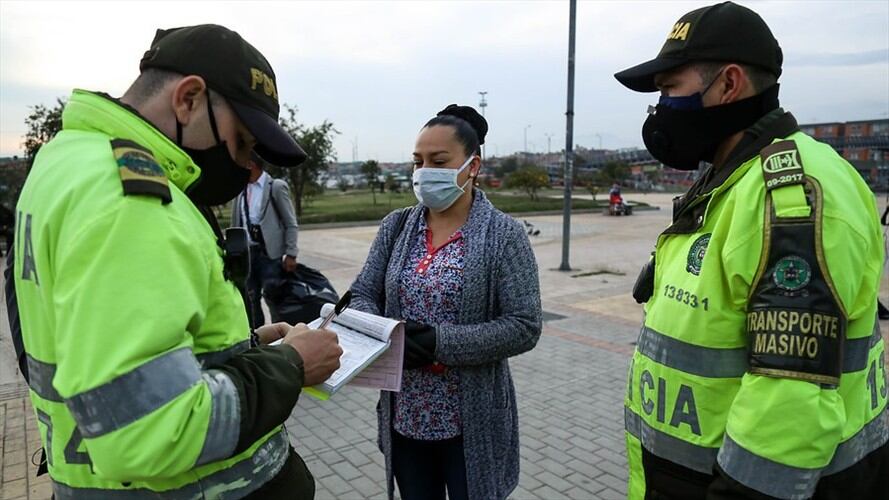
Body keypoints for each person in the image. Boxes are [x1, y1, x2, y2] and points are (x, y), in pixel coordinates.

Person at [5, 24, 343, 498]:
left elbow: (99, 342)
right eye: (242, 141)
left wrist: (242, 347)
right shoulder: (133, 202)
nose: (248, 168)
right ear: (188, 99)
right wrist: (291, 365)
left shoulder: (68, 161)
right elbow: (150, 430)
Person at [616, 2, 888, 499]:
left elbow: (790, 402)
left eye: (670, 89)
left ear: (729, 84)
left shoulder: (790, 195)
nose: (659, 110)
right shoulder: (733, 176)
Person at [350, 104, 542, 500]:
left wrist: (440, 343)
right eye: (417, 162)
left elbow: (524, 325)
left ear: (472, 166)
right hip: (405, 414)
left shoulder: (503, 235)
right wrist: (383, 333)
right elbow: (362, 293)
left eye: (438, 161)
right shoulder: (397, 226)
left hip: (470, 420)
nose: (423, 172)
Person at [230, 151, 300, 328]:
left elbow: (290, 223)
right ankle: (258, 335)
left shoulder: (275, 187)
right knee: (251, 298)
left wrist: (291, 253)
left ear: (250, 165)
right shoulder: (240, 188)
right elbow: (236, 221)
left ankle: (281, 332)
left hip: (270, 253)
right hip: (247, 252)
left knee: (274, 297)